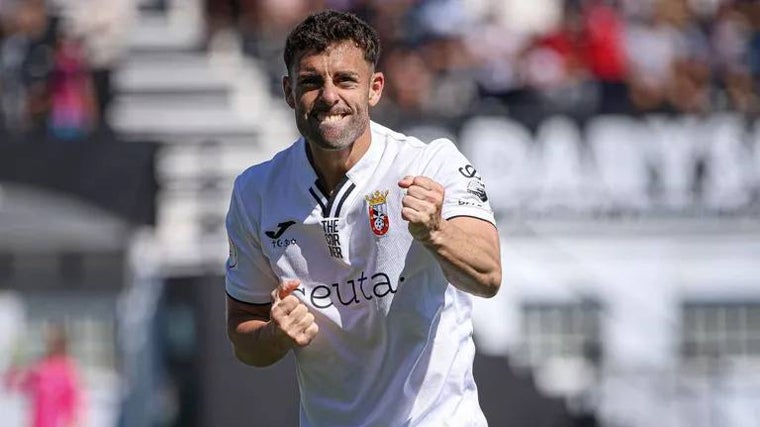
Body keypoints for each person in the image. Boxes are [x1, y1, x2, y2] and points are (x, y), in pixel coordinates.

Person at [225, 9, 501, 426]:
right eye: (312, 81)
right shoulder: (255, 192)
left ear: (374, 88)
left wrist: (436, 232)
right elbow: (244, 335)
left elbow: (488, 275)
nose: (329, 96)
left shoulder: (431, 162)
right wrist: (273, 335)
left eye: (345, 80)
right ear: (288, 91)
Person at [4, 324, 82, 427]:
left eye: (53, 341)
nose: (49, 344)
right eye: (47, 341)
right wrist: (12, 371)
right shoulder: (41, 366)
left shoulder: (68, 368)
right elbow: (19, 385)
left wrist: (72, 422)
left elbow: (73, 403)